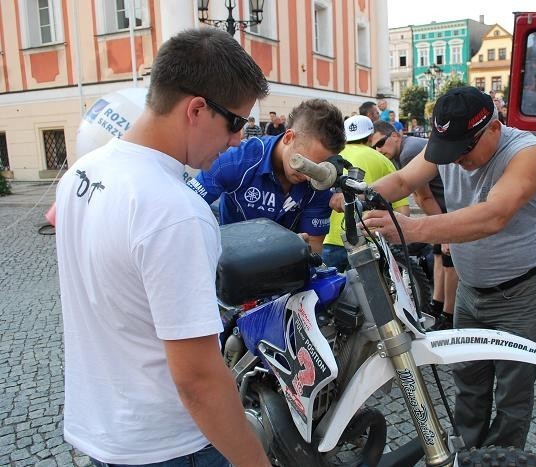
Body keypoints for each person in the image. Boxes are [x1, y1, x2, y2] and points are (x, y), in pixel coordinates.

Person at [55, 28, 270, 466]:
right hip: (171, 444)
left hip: (107, 432)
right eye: (237, 123)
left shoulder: (82, 172)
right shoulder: (176, 212)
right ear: (196, 109)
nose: (237, 141)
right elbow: (198, 379)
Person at [363, 86, 536, 450]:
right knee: (468, 380)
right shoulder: (452, 149)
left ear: (493, 130)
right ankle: (465, 454)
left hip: (522, 293)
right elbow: (403, 180)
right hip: (469, 290)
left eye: (463, 151)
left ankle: (501, 459)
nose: (454, 161)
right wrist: (361, 196)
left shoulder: (530, 153)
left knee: (513, 392)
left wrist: (414, 228)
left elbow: (494, 215)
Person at [188, 99, 345, 254]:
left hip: (286, 270)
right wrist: (283, 246)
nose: (310, 177)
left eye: (318, 170)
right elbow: (185, 212)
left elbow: (314, 247)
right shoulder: (236, 161)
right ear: (289, 137)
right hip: (230, 264)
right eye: (306, 165)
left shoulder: (321, 182)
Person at [372, 120, 458, 328]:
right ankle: (436, 306)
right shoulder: (404, 149)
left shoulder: (409, 152)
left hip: (449, 208)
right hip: (443, 206)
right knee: (438, 255)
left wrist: (443, 231)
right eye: (374, 146)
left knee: (450, 263)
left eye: (381, 143)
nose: (378, 149)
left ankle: (448, 316)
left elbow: (424, 197)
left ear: (395, 136)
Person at [322, 115, 410, 271]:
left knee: (332, 292)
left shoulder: (330, 158)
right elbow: (402, 208)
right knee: (369, 292)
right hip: (366, 240)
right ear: (370, 137)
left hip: (328, 239)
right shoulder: (382, 160)